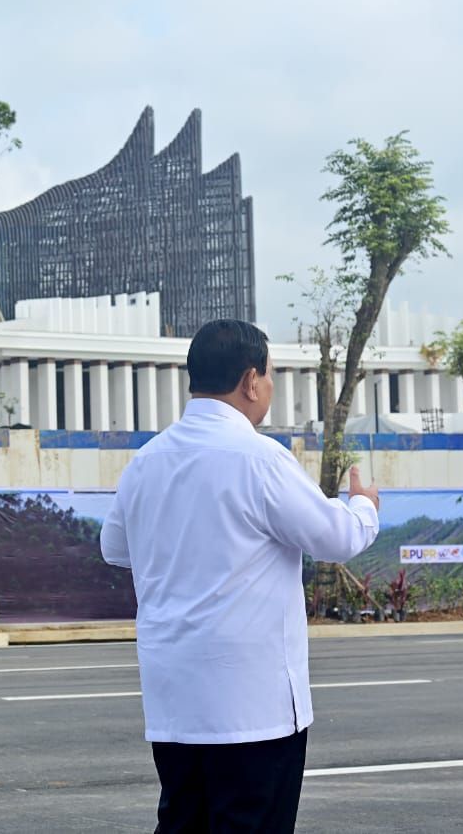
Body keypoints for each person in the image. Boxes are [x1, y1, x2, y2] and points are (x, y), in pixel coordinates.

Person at [100, 319, 380, 833]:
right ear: (251, 381)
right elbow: (336, 537)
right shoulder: (258, 457)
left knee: (183, 821)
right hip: (251, 705)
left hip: (175, 701)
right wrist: (363, 506)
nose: (269, 388)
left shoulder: (146, 462)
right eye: (270, 376)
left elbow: (115, 549)